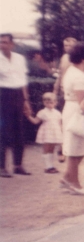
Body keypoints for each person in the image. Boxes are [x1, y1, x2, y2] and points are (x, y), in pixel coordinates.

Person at [60, 42, 84, 193]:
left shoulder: (74, 72)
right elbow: (82, 102)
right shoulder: (78, 76)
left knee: (80, 148)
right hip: (77, 112)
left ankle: (67, 178)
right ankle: (75, 184)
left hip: (73, 110)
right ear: (83, 58)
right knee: (75, 150)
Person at [0, 33, 32, 178]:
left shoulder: (19, 59)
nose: (2, 45)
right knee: (3, 132)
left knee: (19, 131)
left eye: (5, 42)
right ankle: (1, 168)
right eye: (0, 42)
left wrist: (25, 101)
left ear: (12, 44)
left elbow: (23, 80)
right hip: (3, 95)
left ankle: (18, 165)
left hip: (18, 95)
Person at [25, 92, 62, 173]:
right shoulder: (42, 112)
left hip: (55, 133)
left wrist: (62, 133)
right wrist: (28, 116)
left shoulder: (58, 113)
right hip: (46, 133)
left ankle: (51, 166)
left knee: (51, 150)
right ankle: (48, 167)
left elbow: (60, 124)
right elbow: (35, 121)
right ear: (44, 102)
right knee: (46, 149)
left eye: (51, 102)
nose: (49, 104)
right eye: (46, 102)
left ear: (55, 102)